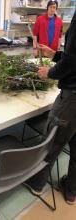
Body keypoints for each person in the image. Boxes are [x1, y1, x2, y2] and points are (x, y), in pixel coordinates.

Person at [24, 10, 76, 205]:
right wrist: (55, 54)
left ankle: (36, 183)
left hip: (72, 99)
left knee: (52, 140)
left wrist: (50, 72)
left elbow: (72, 61)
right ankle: (71, 191)